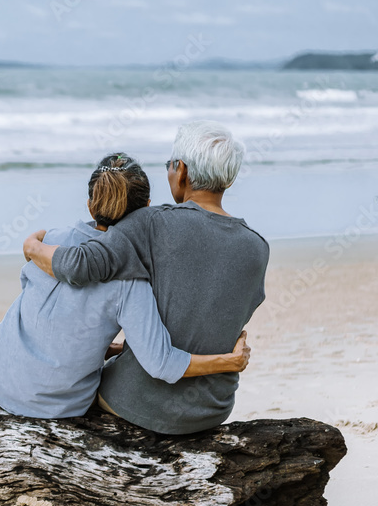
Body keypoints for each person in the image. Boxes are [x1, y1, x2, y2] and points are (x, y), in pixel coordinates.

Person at [23, 122, 268, 434]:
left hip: (136, 405)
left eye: (170, 165)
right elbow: (203, 320)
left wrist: (33, 246)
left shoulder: (153, 223)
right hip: (212, 409)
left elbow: (78, 266)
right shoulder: (257, 247)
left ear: (181, 171)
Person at [0, 153, 250, 420]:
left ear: (90, 205)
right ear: (146, 209)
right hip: (52, 405)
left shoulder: (51, 239)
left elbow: (48, 313)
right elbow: (162, 364)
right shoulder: (131, 281)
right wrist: (230, 361)